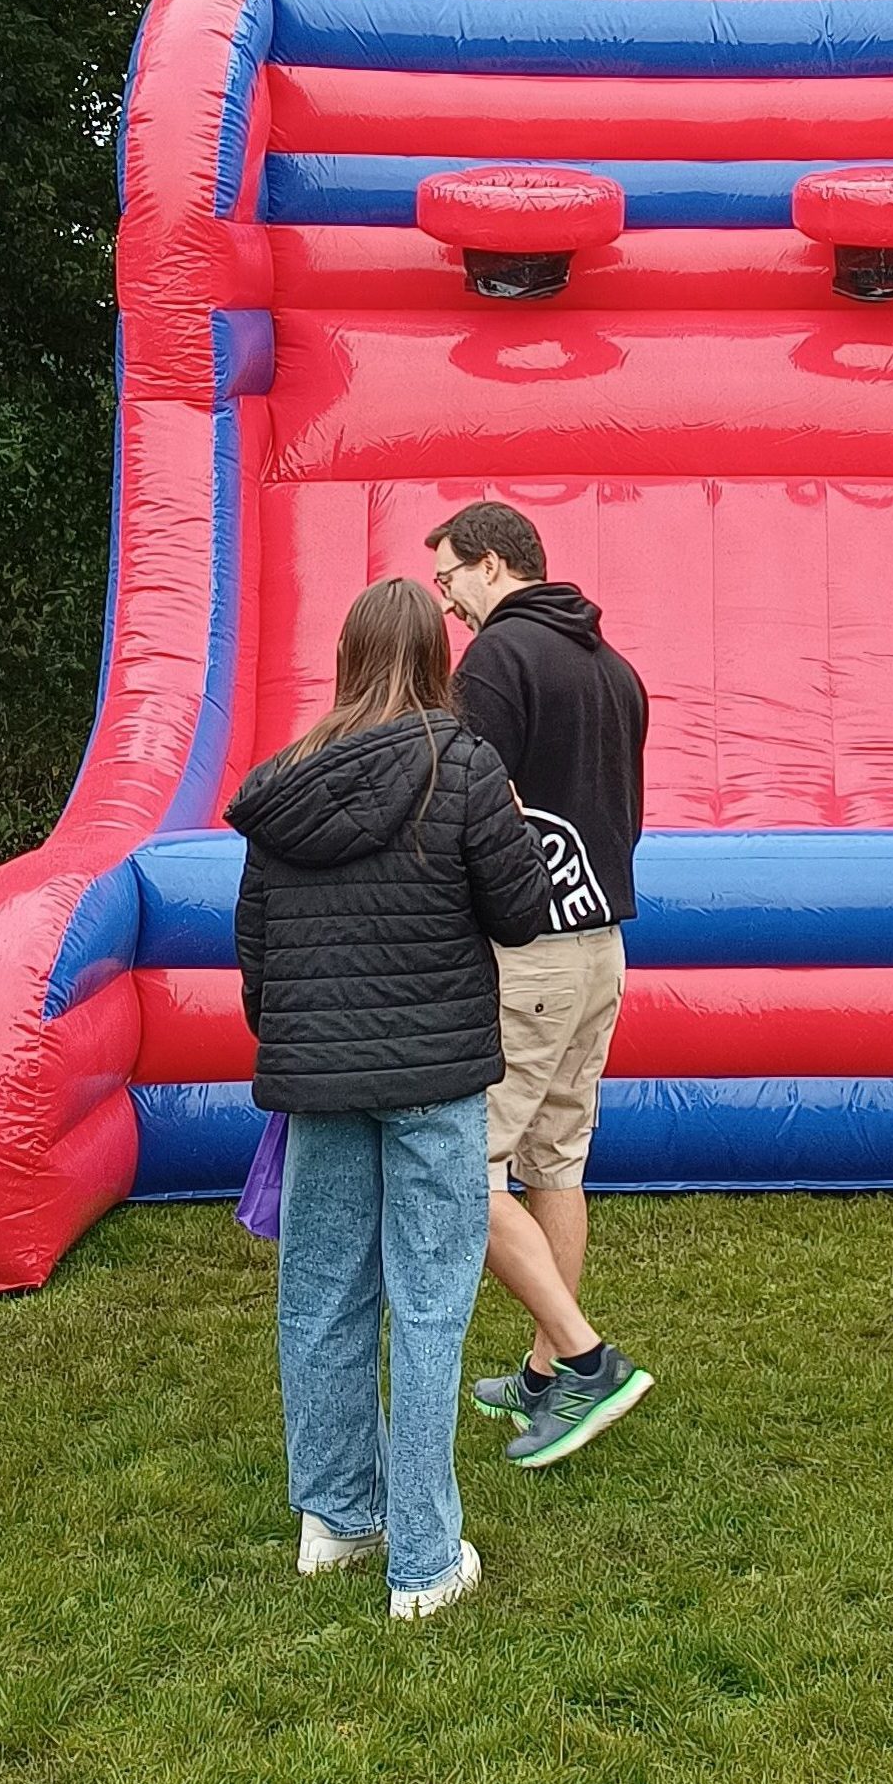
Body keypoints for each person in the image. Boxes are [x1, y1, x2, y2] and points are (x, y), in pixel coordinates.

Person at [231, 576, 549, 1618]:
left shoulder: (283, 780)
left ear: (347, 655)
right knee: (428, 1304)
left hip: (320, 1079)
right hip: (434, 1078)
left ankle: (335, 1518)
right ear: (434, 657)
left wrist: (298, 1038)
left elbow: (256, 951)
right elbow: (519, 912)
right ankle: (422, 1555)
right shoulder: (463, 766)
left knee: (320, 1297)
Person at [425, 502, 657, 1469]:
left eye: (447, 581)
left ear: (490, 563)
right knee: (556, 1162)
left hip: (527, 952)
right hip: (599, 941)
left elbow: (466, 801)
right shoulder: (613, 666)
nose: (444, 602)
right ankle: (538, 1378)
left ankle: (585, 1360)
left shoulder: (495, 664)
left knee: (459, 1167)